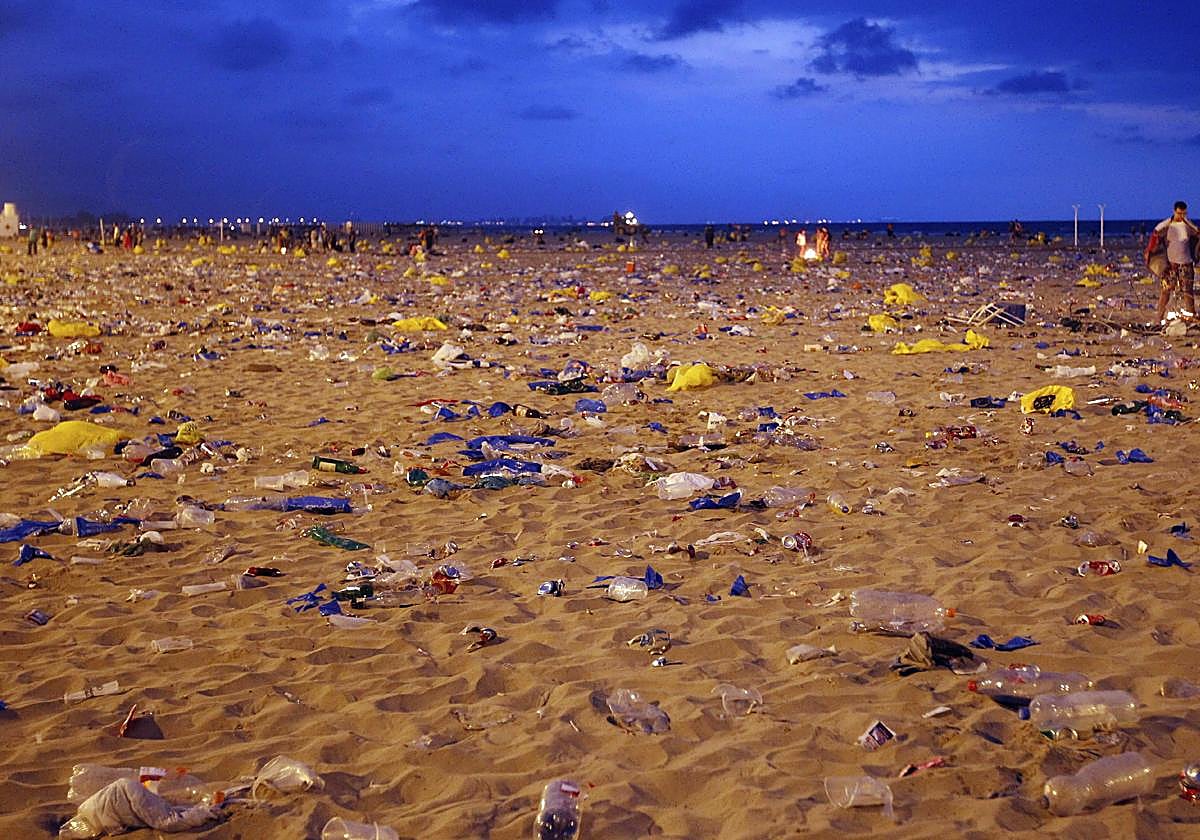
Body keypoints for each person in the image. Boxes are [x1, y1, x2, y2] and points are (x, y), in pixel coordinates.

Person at [1147, 200, 1199, 325]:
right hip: (1171, 265)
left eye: (1184, 214)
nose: (1182, 216)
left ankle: (1191, 318)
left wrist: (1188, 222)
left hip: (1186, 264)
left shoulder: (1188, 225)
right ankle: (1158, 319)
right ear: (1174, 211)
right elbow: (1156, 233)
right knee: (1165, 292)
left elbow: (1197, 233)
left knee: (1188, 293)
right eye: (1180, 213)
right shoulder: (1167, 225)